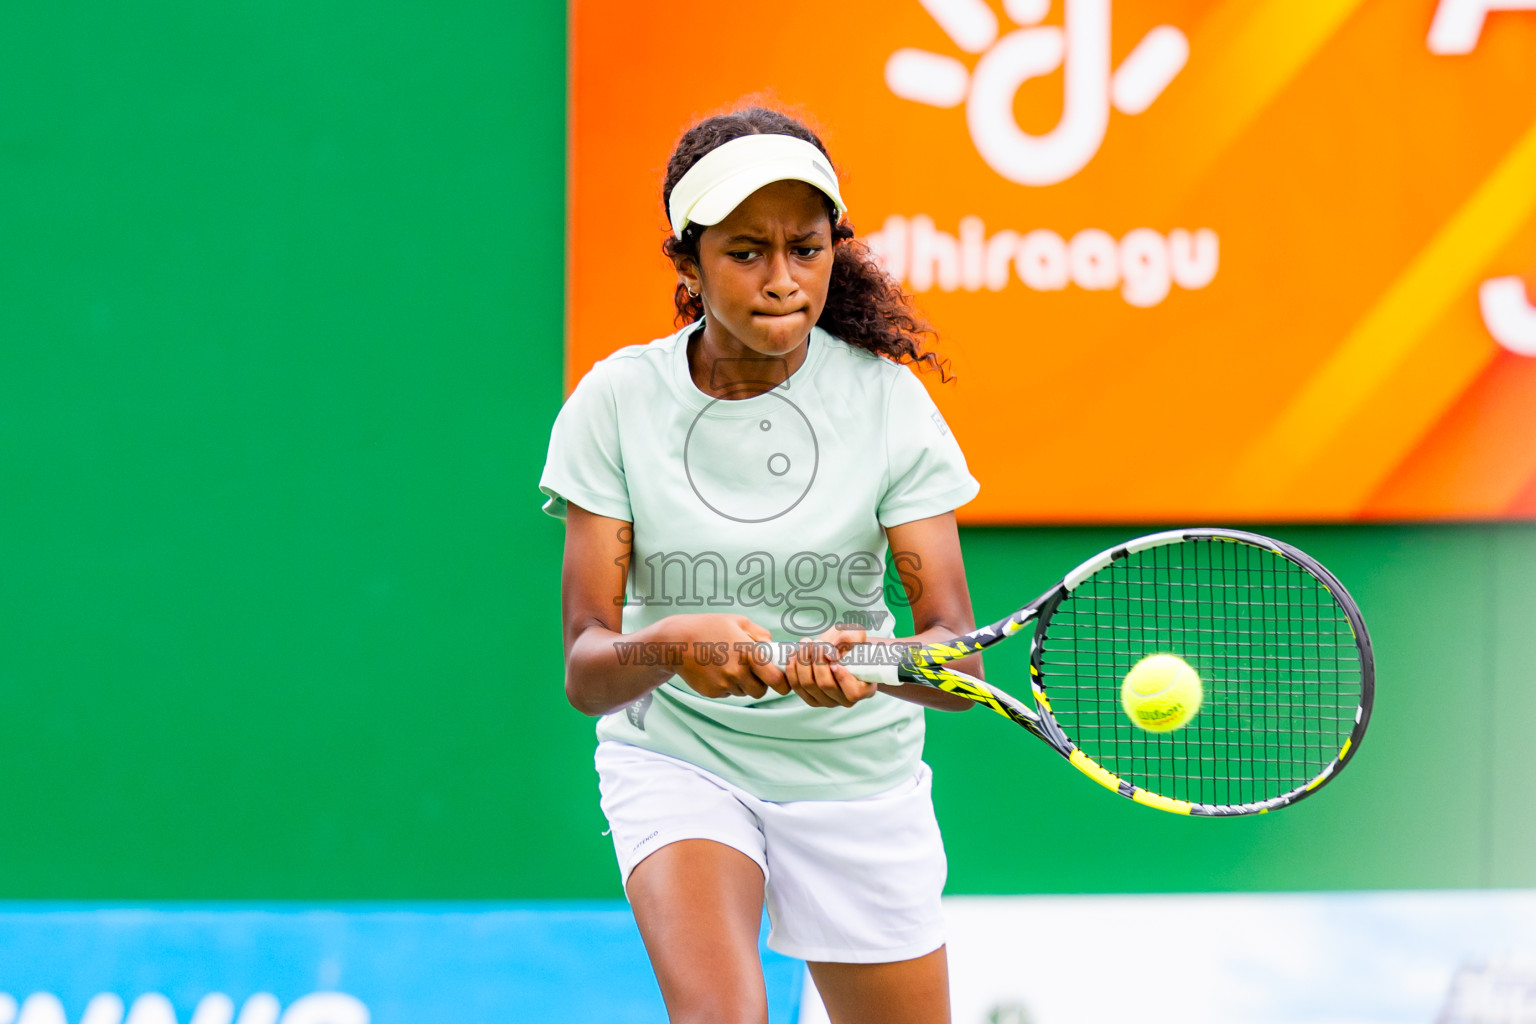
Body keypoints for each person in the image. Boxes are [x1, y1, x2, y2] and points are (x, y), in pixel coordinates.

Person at [540, 105, 983, 1024]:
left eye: (806, 249)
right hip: (681, 757)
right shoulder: (616, 402)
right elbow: (588, 665)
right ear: (687, 263)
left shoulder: (888, 403)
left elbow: (956, 659)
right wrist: (666, 645)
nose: (783, 280)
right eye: (745, 252)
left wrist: (864, 663)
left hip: (857, 783)